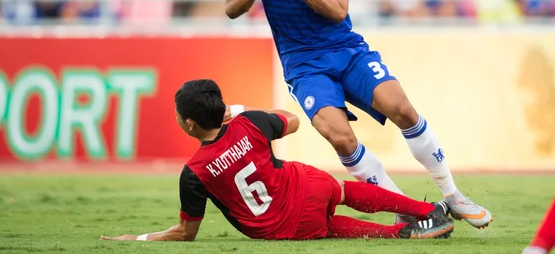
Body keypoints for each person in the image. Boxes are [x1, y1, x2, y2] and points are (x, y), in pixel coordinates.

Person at [224, 0, 492, 227]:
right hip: (303, 65)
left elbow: (337, 10)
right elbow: (231, 8)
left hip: (346, 50)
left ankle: (453, 195)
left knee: (403, 109)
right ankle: (408, 210)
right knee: (341, 138)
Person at [100, 79, 454, 242]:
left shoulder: (194, 172)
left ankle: (401, 232)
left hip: (282, 225)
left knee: (328, 229)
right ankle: (428, 212)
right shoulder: (248, 123)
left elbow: (185, 233)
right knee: (344, 192)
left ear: (190, 123)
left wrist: (138, 239)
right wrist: (236, 111)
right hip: (308, 185)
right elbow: (293, 119)